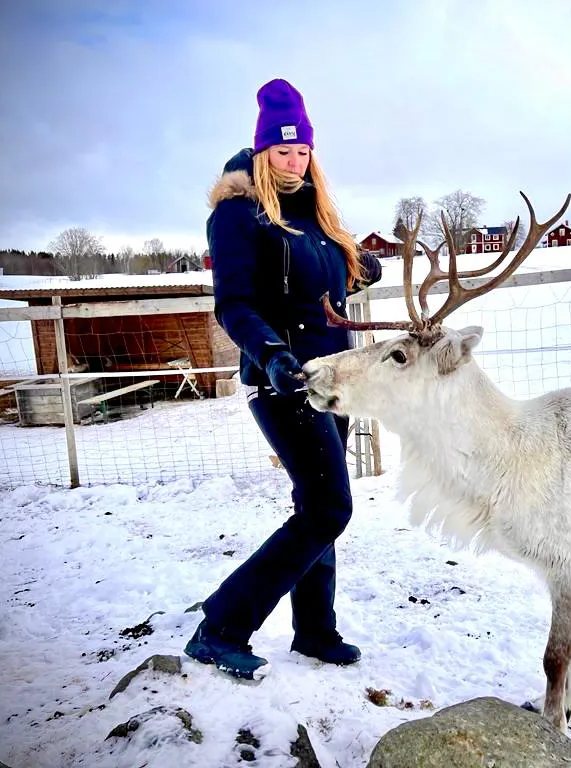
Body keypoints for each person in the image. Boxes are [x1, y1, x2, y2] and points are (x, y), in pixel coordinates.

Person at [185, 78, 383, 679]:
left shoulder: (314, 212)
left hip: (334, 380)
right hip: (284, 381)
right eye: (282, 152)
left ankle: (315, 629)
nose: (294, 162)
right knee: (327, 509)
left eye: (303, 152)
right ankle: (220, 627)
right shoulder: (239, 214)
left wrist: (356, 266)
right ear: (262, 151)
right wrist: (271, 354)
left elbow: (322, 283)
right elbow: (236, 304)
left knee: (315, 503)